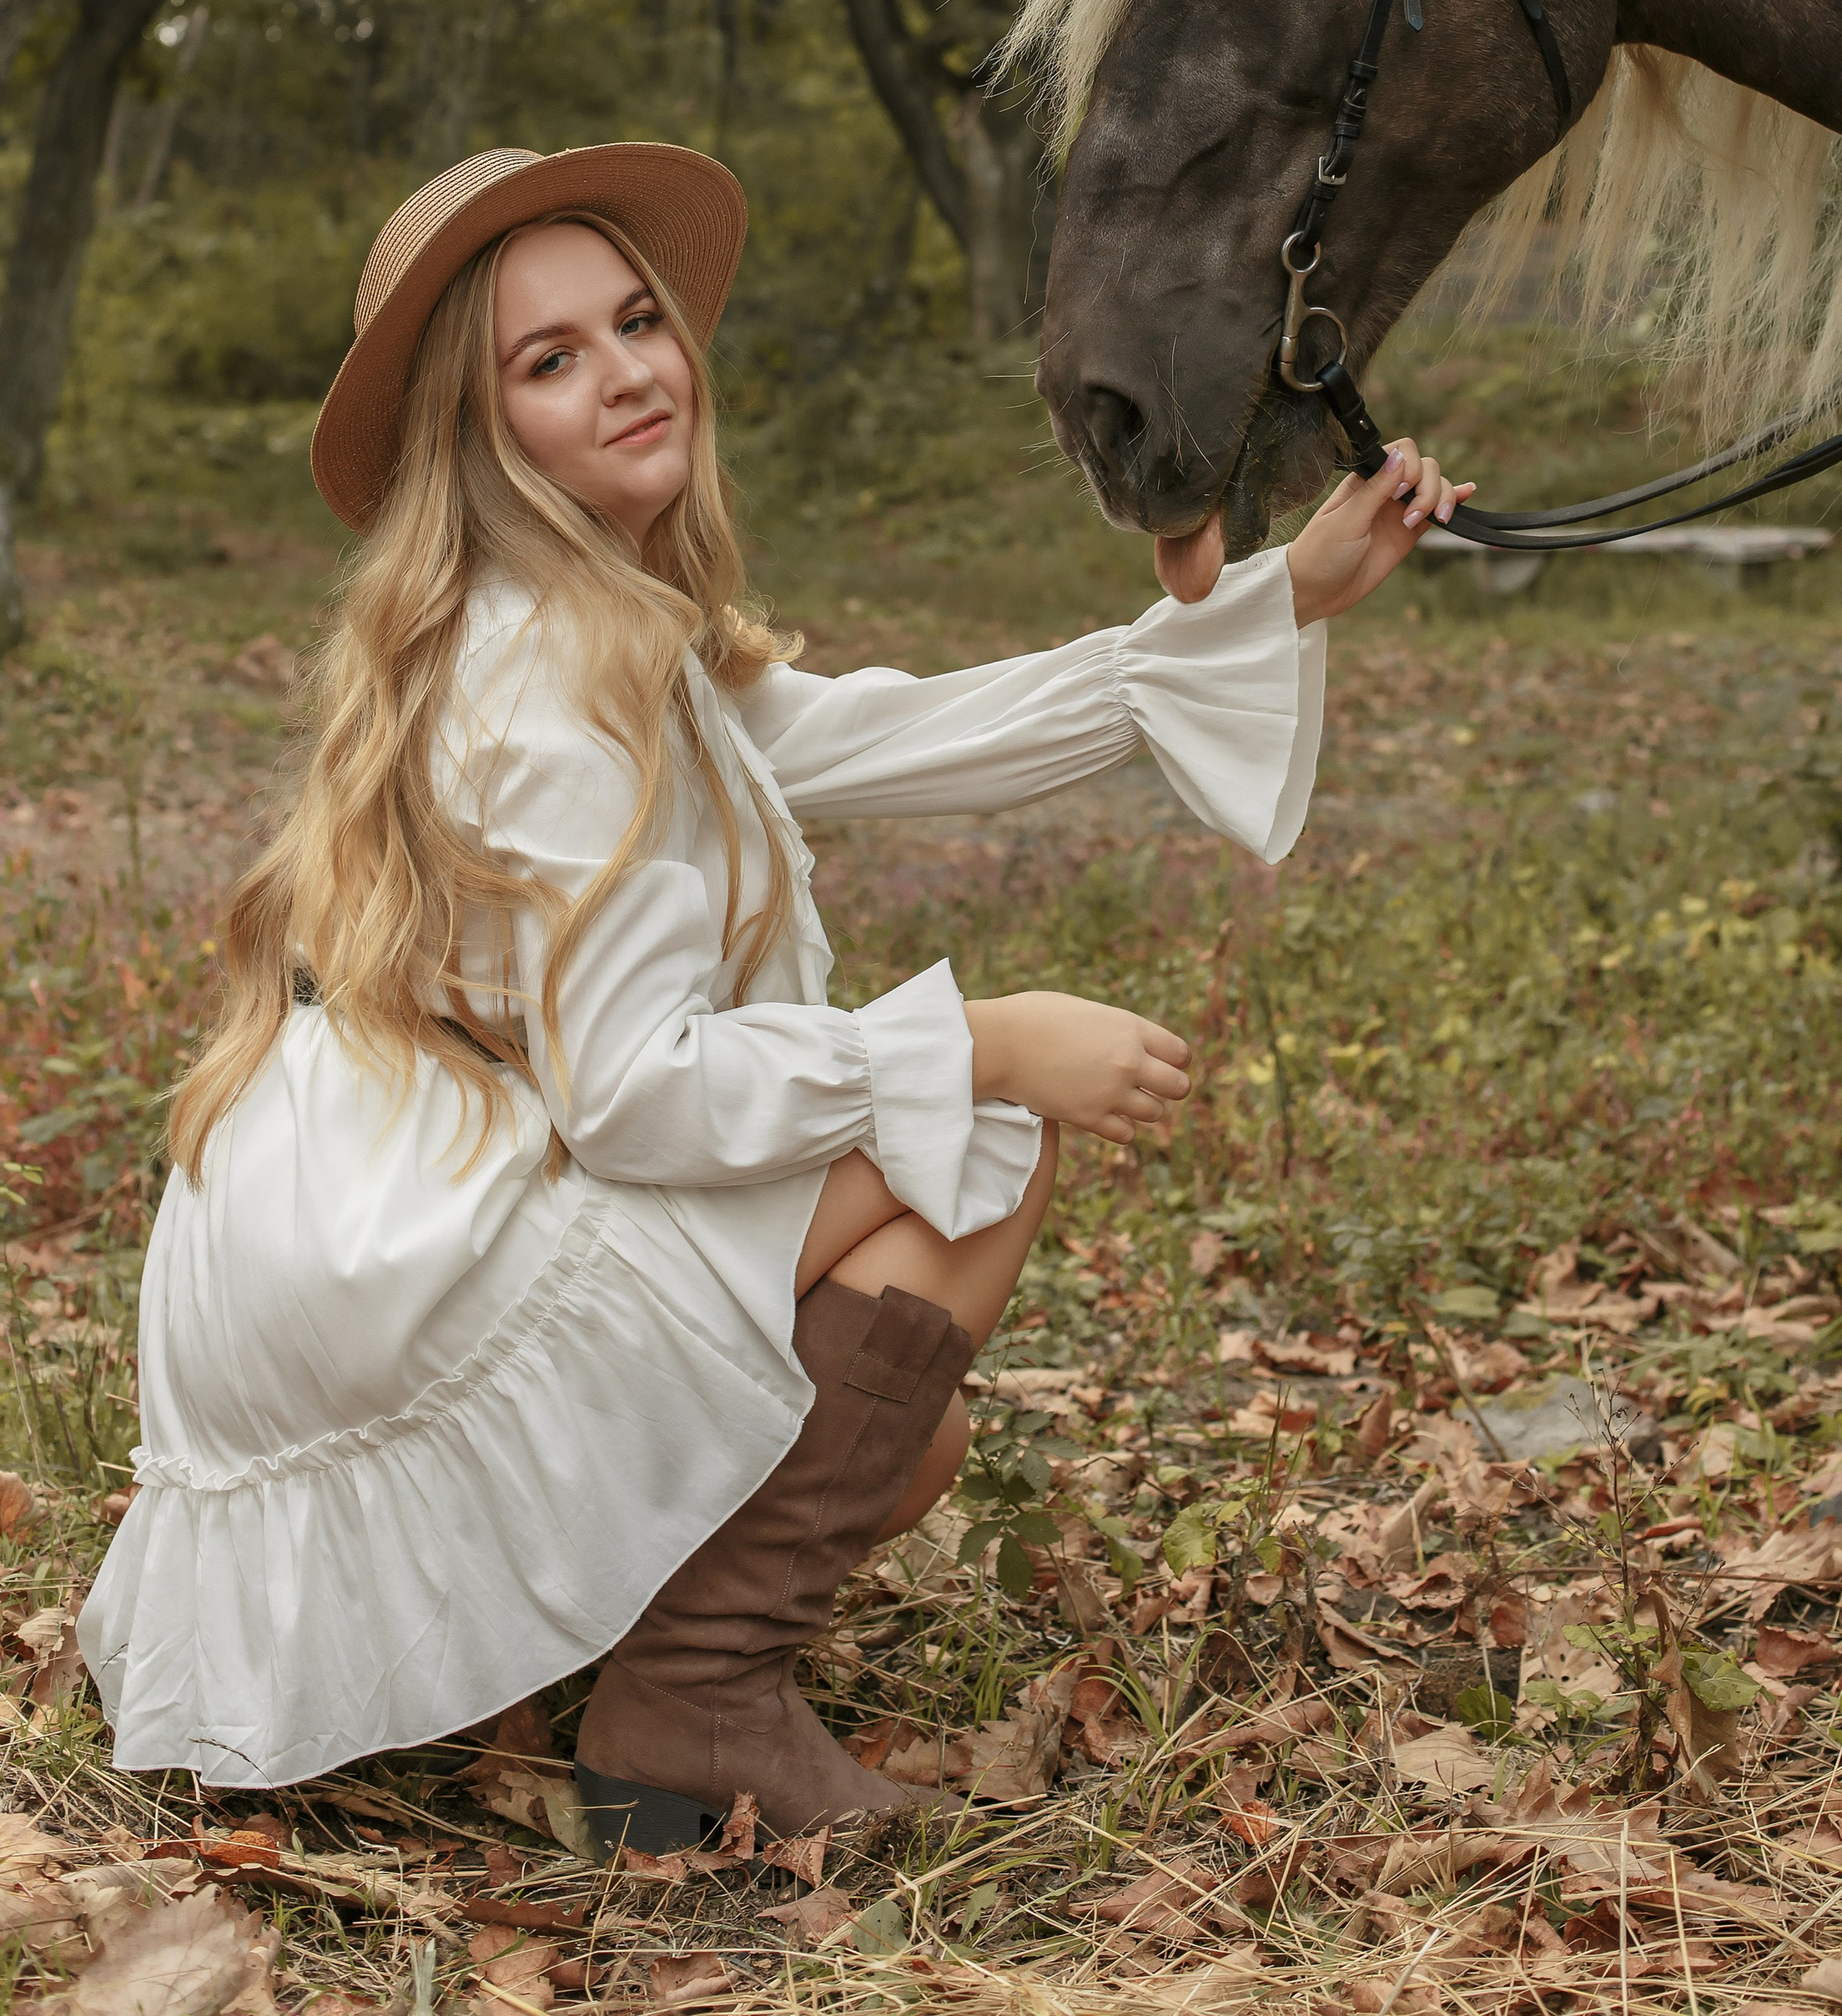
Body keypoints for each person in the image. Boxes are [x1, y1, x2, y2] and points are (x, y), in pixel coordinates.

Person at [78, 143, 1470, 1839]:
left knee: (901, 1442)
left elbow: (891, 730)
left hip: (377, 1233)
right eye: (549, 359)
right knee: (981, 1141)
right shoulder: (544, 686)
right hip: (401, 1266)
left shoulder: (586, 617)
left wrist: (1280, 595)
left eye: (635, 322)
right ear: (478, 428)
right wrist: (980, 1039)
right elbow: (638, 1100)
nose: (625, 374)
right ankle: (694, 1698)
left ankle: (562, 1645)